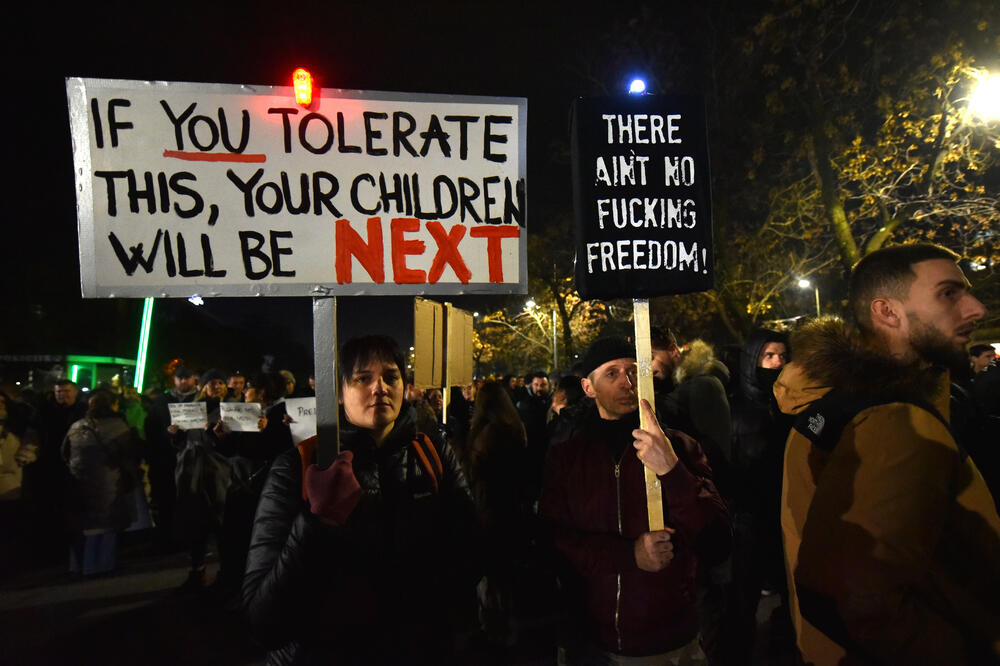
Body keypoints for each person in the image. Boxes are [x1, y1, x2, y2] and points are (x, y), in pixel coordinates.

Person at [775, 243, 1000, 665]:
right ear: (887, 311)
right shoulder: (892, 418)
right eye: (949, 293)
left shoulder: (842, 403)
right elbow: (856, 597)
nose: (976, 309)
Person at [243, 335, 481, 664]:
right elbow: (264, 622)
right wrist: (317, 524)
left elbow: (471, 557)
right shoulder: (298, 466)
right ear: (339, 393)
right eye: (362, 378)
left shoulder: (432, 454)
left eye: (390, 376)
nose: (379, 387)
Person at [541, 337, 730, 664]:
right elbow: (554, 541)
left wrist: (671, 470)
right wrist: (629, 555)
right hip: (591, 638)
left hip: (668, 639)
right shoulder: (568, 457)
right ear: (589, 387)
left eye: (633, 371)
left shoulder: (680, 446)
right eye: (611, 374)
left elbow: (717, 539)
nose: (626, 382)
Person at [726, 329, 794, 665]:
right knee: (743, 603)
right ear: (753, 360)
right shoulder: (733, 407)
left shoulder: (796, 406)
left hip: (789, 515)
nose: (777, 362)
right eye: (769, 356)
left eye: (782, 355)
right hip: (749, 520)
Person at [61, 389, 140, 576]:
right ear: (112, 405)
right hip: (108, 481)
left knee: (83, 525)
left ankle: (79, 565)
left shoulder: (77, 426)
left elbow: (64, 452)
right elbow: (129, 453)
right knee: (106, 524)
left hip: (79, 481)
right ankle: (101, 565)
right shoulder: (118, 426)